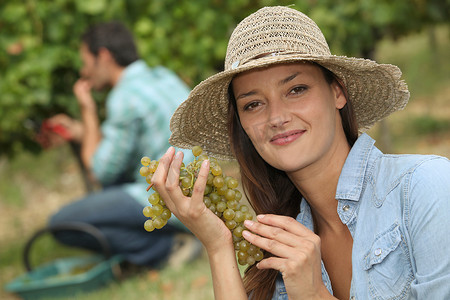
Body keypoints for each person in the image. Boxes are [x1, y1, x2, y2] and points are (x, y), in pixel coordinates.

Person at [151, 6, 450, 300]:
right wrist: (218, 246)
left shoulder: (426, 188)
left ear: (337, 92)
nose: (276, 117)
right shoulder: (284, 246)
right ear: (242, 125)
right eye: (253, 104)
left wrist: (314, 295)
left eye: (296, 89)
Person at [46, 21, 201, 269]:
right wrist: (80, 132)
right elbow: (126, 141)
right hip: (198, 190)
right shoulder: (162, 76)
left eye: (86, 62)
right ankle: (175, 237)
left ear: (104, 56)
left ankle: (165, 248)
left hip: (164, 197)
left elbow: (99, 171)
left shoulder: (124, 97)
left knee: (61, 224)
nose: (84, 72)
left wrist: (87, 110)